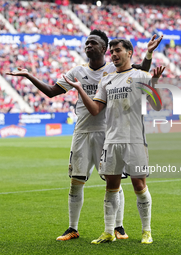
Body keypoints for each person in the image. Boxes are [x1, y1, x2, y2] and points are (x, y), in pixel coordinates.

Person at [6, 30, 163, 241]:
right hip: (82, 131)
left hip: (108, 133)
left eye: (93, 43)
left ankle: (118, 227)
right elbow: (52, 91)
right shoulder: (77, 71)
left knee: (113, 181)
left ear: (104, 48)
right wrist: (28, 76)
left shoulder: (113, 68)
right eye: (86, 43)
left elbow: (140, 74)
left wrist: (149, 56)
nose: (88, 45)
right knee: (76, 180)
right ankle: (73, 228)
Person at [63, 39, 165, 244]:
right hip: (111, 140)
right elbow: (94, 110)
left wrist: (153, 84)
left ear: (129, 53)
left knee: (139, 185)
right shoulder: (106, 80)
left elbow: (157, 105)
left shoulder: (141, 76)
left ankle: (147, 231)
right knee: (111, 186)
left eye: (118, 50)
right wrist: (80, 89)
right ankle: (109, 231)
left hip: (135, 140)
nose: (114, 54)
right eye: (112, 52)